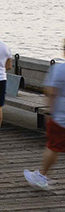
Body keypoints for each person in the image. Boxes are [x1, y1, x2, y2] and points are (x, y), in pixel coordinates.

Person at [24, 41, 65, 189]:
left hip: (61, 116)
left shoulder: (59, 69)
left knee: (53, 147)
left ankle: (41, 176)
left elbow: (50, 92)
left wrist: (49, 111)